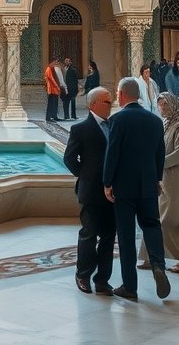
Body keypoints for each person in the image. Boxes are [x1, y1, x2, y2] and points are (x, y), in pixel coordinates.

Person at [103, 77, 171, 301]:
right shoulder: (154, 120)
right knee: (152, 226)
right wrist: (157, 179)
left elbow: (112, 153)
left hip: (124, 186)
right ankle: (158, 265)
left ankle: (130, 287)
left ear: (122, 95)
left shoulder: (118, 120)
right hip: (148, 184)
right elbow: (159, 153)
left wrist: (107, 182)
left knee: (126, 235)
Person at [63, 86, 115, 296]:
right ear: (93, 104)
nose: (110, 106)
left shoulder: (114, 126)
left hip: (112, 193)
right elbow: (69, 158)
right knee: (89, 234)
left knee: (109, 236)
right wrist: (86, 176)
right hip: (91, 191)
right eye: (107, 102)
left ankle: (102, 279)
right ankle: (83, 275)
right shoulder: (81, 129)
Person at [155, 92, 179, 273]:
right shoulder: (167, 124)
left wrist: (157, 163)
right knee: (164, 216)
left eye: (164, 105)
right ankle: (153, 257)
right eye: (160, 105)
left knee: (170, 218)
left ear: (172, 105)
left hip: (177, 177)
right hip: (165, 175)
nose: (161, 108)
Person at [43, 56, 63, 123]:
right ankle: (48, 117)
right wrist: (57, 87)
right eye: (56, 62)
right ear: (53, 61)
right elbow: (52, 79)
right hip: (51, 89)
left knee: (55, 104)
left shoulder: (52, 68)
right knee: (50, 104)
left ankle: (54, 116)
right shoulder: (49, 69)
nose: (56, 63)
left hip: (55, 90)